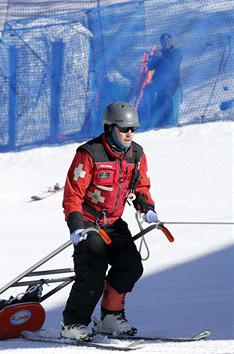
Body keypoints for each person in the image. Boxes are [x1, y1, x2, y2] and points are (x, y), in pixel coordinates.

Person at [59, 102, 159, 342]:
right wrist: (76, 226)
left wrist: (147, 208)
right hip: (88, 222)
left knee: (131, 265)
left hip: (113, 222)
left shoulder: (136, 154)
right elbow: (72, 194)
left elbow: (140, 186)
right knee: (93, 269)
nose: (129, 134)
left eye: (133, 129)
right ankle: (73, 323)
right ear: (110, 128)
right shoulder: (89, 153)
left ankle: (110, 316)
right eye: (124, 129)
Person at [146, 33, 182, 127]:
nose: (166, 43)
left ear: (171, 41)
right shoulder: (160, 52)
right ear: (161, 43)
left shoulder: (176, 52)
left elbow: (172, 67)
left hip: (172, 81)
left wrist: (161, 57)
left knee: (167, 97)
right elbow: (150, 67)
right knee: (157, 99)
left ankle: (169, 122)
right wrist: (152, 59)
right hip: (159, 82)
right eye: (163, 41)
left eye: (168, 41)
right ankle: (159, 122)